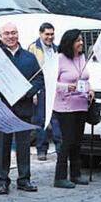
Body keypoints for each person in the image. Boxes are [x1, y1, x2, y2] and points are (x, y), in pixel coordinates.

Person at [0, 22, 42, 194]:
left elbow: (39, 79)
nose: (11, 37)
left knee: (23, 145)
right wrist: (3, 90)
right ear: (1, 36)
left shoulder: (29, 57)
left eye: (14, 33)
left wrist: (27, 92)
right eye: (7, 34)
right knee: (3, 145)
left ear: (18, 34)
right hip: (3, 107)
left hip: (24, 107)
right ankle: (3, 181)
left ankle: (24, 179)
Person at [52, 29, 93, 189]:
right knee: (67, 141)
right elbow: (51, 82)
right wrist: (65, 87)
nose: (81, 43)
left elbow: (85, 79)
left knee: (77, 141)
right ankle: (60, 176)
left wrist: (91, 90)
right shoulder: (59, 59)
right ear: (69, 43)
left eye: (81, 40)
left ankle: (76, 174)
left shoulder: (82, 57)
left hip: (81, 104)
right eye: (77, 41)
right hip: (65, 106)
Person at [28, 22, 63, 161]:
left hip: (54, 87)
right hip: (41, 87)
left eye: (52, 34)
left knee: (56, 119)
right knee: (40, 120)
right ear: (40, 34)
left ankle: (60, 148)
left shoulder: (56, 49)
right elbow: (31, 71)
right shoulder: (33, 48)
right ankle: (41, 149)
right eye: (47, 34)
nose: (50, 37)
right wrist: (33, 92)